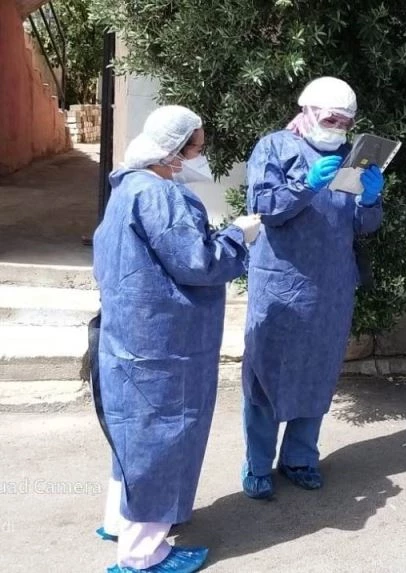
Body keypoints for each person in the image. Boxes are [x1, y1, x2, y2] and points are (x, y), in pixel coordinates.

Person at [92, 105, 262, 572]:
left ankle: (119, 520)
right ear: (173, 151)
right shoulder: (162, 195)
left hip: (130, 334)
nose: (200, 156)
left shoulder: (127, 187)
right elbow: (198, 263)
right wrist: (237, 235)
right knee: (165, 437)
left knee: (134, 436)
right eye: (197, 148)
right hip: (166, 343)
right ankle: (142, 554)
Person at [240, 77, 384, 499]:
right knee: (267, 373)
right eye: (330, 119)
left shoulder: (350, 158)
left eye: (346, 122)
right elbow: (264, 208)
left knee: (318, 372)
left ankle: (300, 459)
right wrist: (306, 186)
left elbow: (363, 226)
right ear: (307, 111)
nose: (338, 128)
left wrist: (371, 201)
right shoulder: (273, 147)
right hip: (280, 283)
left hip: (332, 286)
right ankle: (257, 465)